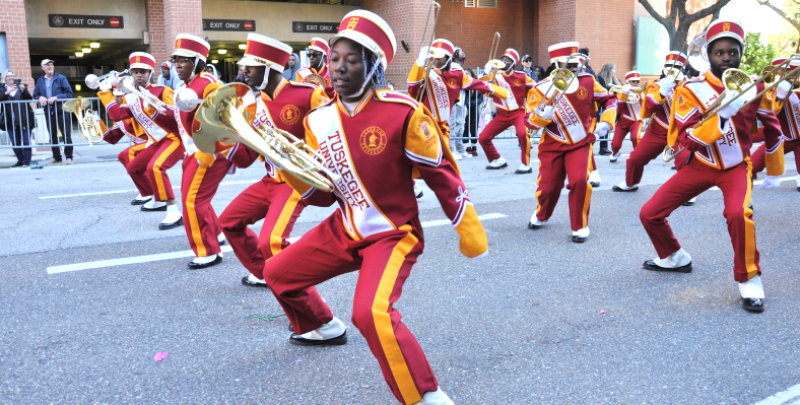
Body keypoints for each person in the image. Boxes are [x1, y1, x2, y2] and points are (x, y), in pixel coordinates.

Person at [262, 10, 488, 405]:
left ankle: (424, 394)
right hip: (343, 228)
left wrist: (467, 227)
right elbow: (325, 196)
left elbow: (442, 173)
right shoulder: (318, 121)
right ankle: (323, 326)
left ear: (373, 66)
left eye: (352, 60)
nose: (338, 68)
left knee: (370, 313)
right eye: (335, 58)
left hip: (392, 233)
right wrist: (291, 170)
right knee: (276, 273)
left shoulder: (402, 112)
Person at [638, 19, 784, 313]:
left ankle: (750, 278)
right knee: (649, 213)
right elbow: (688, 139)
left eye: (733, 52)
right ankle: (675, 257)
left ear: (741, 53)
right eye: (720, 52)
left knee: (738, 214)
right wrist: (721, 117)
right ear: (709, 55)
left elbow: (773, 129)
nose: (726, 57)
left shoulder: (755, 86)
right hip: (700, 164)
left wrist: (775, 167)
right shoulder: (691, 89)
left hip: (735, 167)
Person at [217, 33, 328, 287]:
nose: (244, 71)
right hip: (270, 181)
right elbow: (245, 159)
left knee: (271, 241)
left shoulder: (307, 95)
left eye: (250, 66)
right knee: (228, 222)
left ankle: (297, 290)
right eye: (244, 67)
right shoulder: (252, 105)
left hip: (295, 181)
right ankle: (265, 273)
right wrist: (223, 141)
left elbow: (332, 131)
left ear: (269, 68)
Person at [525, 41, 616, 243]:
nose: (574, 69)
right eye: (570, 65)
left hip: (580, 143)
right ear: (557, 65)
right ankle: (542, 213)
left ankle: (579, 225)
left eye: (576, 65)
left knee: (579, 181)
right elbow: (529, 122)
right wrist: (541, 117)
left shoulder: (588, 82)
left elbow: (610, 99)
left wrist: (607, 122)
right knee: (548, 188)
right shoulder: (540, 89)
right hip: (552, 145)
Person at [98, 52, 186, 226]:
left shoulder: (161, 90)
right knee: (134, 167)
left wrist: (157, 106)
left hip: (173, 138)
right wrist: (105, 92)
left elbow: (177, 115)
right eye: (135, 72)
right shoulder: (133, 97)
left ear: (150, 73)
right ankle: (157, 198)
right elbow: (117, 115)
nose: (139, 75)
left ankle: (174, 211)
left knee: (156, 167)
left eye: (143, 72)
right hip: (157, 141)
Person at [172, 34, 235, 270]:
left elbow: (226, 117)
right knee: (197, 199)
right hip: (194, 152)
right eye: (176, 60)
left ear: (197, 62)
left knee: (192, 201)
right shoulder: (185, 86)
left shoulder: (209, 84)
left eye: (184, 60)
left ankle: (208, 251)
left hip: (208, 153)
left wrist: (208, 152)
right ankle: (215, 234)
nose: (178, 65)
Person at [407, 38, 507, 162]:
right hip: (424, 123)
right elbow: (412, 89)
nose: (436, 59)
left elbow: (477, 83)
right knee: (428, 157)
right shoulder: (426, 72)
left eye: (440, 56)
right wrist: (418, 64)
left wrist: (502, 92)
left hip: (442, 127)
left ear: (448, 58)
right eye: (434, 55)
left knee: (442, 162)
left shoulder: (457, 74)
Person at [613, 52, 688, 193]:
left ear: (682, 69)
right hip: (657, 131)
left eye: (677, 67)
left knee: (685, 160)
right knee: (635, 158)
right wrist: (662, 92)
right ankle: (631, 183)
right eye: (669, 66)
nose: (673, 70)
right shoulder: (656, 86)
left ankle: (687, 191)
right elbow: (650, 106)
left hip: (680, 133)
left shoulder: (690, 85)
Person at [478, 48, 536, 174]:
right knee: (483, 138)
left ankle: (526, 164)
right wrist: (485, 72)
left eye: (508, 60)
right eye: (503, 59)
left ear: (514, 63)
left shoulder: (522, 76)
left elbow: (536, 88)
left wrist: (533, 106)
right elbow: (480, 87)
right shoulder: (495, 75)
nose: (504, 61)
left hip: (518, 112)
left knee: (522, 133)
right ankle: (497, 160)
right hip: (502, 114)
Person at [750, 56, 799, 190]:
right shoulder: (772, 90)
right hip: (780, 137)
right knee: (751, 166)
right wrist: (780, 96)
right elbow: (770, 112)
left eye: (788, 72)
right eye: (780, 72)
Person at [33, 59, 73, 164]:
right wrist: (40, 97)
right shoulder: (40, 81)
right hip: (48, 111)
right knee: (52, 135)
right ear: (42, 67)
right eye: (47, 65)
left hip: (62, 110)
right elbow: (35, 95)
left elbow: (69, 93)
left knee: (66, 134)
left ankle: (69, 157)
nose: (50, 66)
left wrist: (57, 97)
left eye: (51, 64)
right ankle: (57, 158)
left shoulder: (61, 78)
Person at [1, 69, 35, 167]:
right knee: (15, 142)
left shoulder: (20, 86)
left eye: (12, 76)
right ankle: (20, 160)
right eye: (8, 76)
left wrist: (24, 90)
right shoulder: (2, 88)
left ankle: (27, 160)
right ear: (5, 78)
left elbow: (29, 99)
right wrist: (7, 92)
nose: (10, 78)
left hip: (24, 118)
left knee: (26, 140)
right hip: (10, 120)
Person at [609, 71, 645, 162]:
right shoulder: (621, 92)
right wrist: (624, 93)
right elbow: (619, 106)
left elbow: (645, 106)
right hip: (623, 121)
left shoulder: (641, 92)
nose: (636, 83)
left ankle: (638, 156)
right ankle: (615, 153)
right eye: (633, 81)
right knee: (615, 144)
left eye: (637, 81)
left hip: (636, 120)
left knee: (635, 138)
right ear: (628, 82)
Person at [595, 63, 620, 156]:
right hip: (602, 106)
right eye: (613, 69)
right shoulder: (600, 78)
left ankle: (605, 147)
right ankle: (602, 148)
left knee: (607, 126)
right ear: (609, 70)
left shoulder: (615, 80)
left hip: (612, 106)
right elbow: (600, 90)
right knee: (602, 125)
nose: (615, 71)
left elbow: (619, 89)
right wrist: (609, 86)